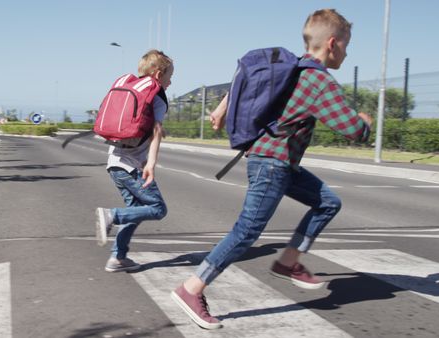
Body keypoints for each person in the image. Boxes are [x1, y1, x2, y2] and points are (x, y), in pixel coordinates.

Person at [171, 9, 373, 330]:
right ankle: (191, 289)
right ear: (332, 43)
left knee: (328, 202)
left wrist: (222, 108)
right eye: (346, 45)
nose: (347, 53)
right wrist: (364, 122)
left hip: (276, 160)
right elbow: (353, 130)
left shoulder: (291, 68)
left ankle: (287, 262)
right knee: (247, 231)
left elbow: (242, 82)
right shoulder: (318, 80)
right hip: (272, 163)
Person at [95, 49, 174, 272]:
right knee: (157, 208)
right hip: (133, 166)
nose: (170, 82)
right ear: (158, 75)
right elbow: (156, 131)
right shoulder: (156, 95)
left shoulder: (133, 89)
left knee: (136, 208)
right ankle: (112, 215)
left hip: (114, 164)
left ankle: (117, 258)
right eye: (169, 77)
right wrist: (150, 164)